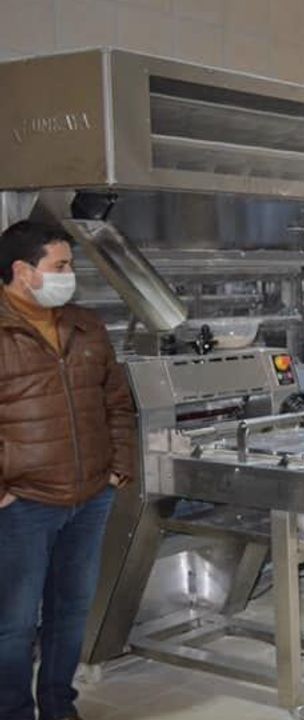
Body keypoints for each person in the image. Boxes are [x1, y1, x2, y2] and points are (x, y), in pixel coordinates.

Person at [0, 221, 138, 720]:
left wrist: (118, 469)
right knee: (14, 623)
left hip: (90, 496)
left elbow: (116, 403)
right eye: (60, 266)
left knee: (71, 612)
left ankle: (60, 706)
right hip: (24, 503)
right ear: (23, 270)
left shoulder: (85, 325)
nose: (69, 275)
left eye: (70, 265)